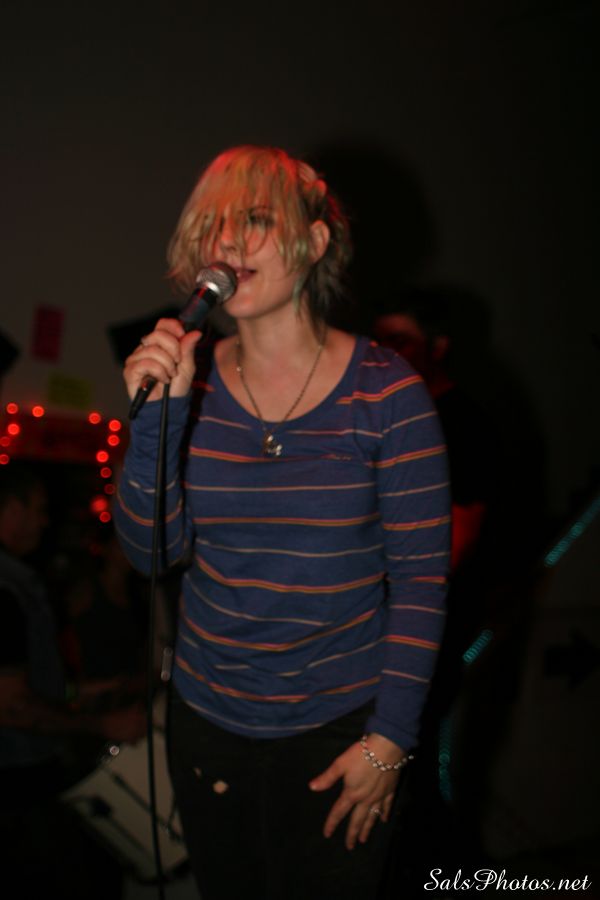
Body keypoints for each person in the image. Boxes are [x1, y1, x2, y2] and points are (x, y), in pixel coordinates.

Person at [115, 145, 450, 900]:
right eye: (214, 225)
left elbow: (421, 583)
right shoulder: (192, 385)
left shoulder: (387, 394)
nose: (227, 243)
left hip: (342, 728)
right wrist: (159, 419)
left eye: (256, 220)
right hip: (208, 723)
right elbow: (151, 554)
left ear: (316, 240)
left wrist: (390, 742)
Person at [0, 462, 146, 898]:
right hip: (17, 790)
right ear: (11, 509)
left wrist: (83, 691)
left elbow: (32, 687)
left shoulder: (16, 582)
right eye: (39, 509)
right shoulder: (6, 591)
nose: (45, 522)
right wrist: (102, 724)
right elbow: (12, 706)